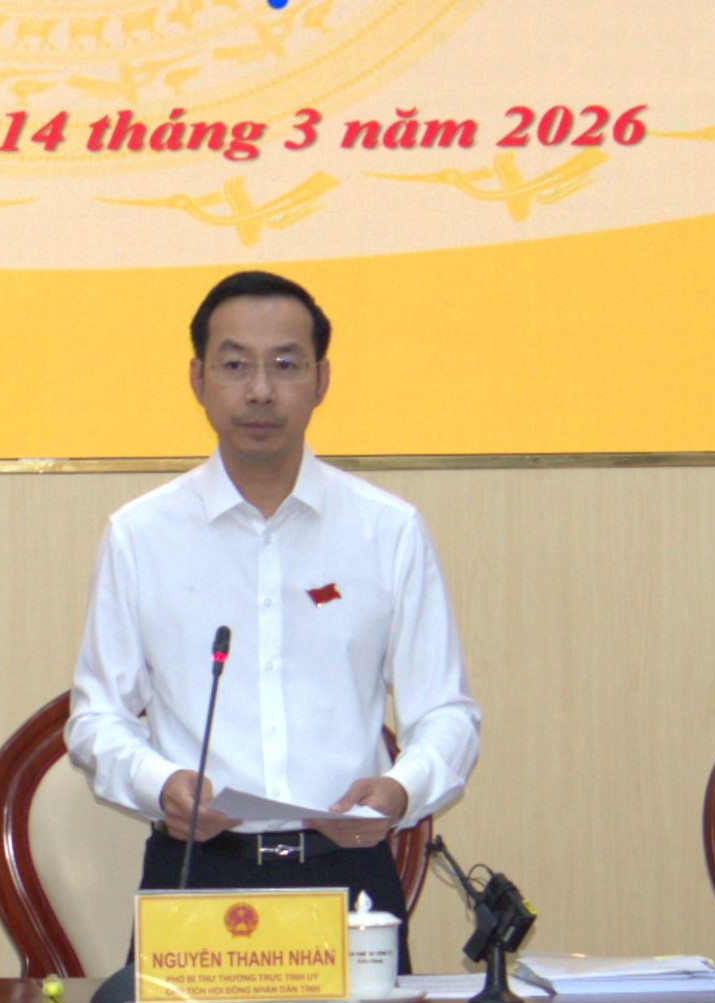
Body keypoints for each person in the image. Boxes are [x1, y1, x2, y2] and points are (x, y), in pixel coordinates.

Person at [66, 271, 481, 964]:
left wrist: (400, 789)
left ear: (321, 380)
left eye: (286, 365)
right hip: (197, 871)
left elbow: (446, 712)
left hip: (348, 877)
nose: (260, 391)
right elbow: (95, 717)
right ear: (198, 379)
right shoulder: (140, 535)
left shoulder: (387, 531)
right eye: (235, 366)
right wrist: (159, 784)